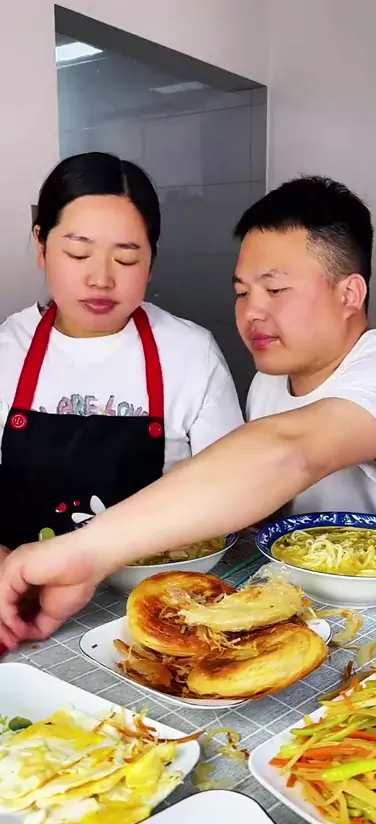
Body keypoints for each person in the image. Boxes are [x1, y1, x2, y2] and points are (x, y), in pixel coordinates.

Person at [0, 175, 376, 649]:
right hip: (318, 622)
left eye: (275, 290)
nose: (251, 312)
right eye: (243, 292)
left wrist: (87, 551)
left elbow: (289, 451)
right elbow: (257, 500)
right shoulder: (269, 383)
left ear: (349, 294)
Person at [0, 151, 243, 560]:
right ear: (42, 246)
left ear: (151, 261)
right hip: (20, 587)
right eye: (78, 254)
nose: (101, 279)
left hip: (159, 586)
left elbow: (234, 492)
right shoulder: (7, 350)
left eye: (126, 258)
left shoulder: (190, 354)